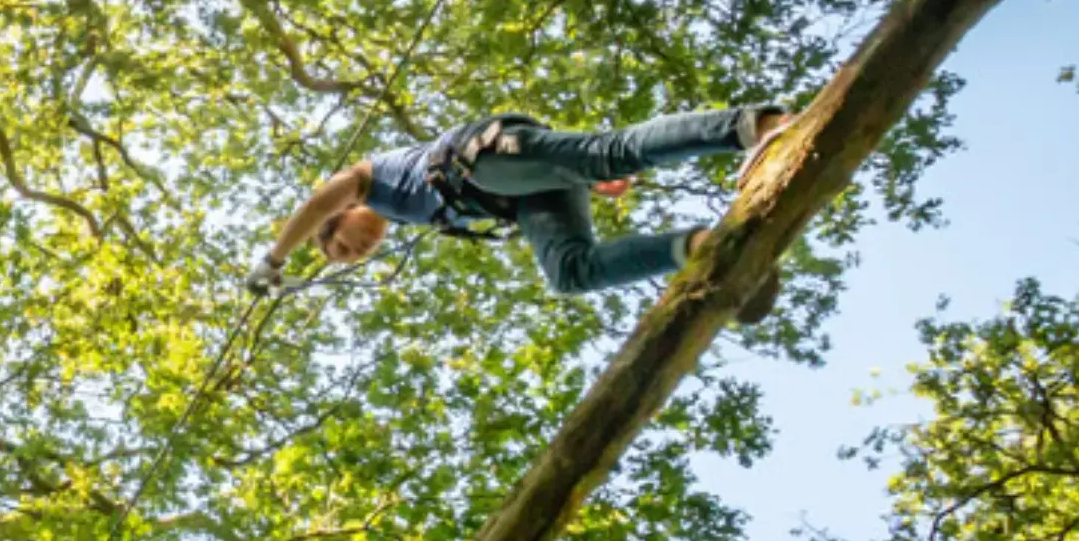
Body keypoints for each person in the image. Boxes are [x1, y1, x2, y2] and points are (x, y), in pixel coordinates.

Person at [258, 102, 794, 316]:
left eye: (347, 244)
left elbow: (316, 201)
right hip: (519, 191)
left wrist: (276, 259)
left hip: (482, 159)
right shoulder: (407, 211)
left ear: (342, 214)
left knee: (606, 153)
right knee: (569, 272)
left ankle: (759, 126)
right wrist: (558, 178)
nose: (362, 249)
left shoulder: (365, 181)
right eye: (355, 258)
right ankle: (703, 249)